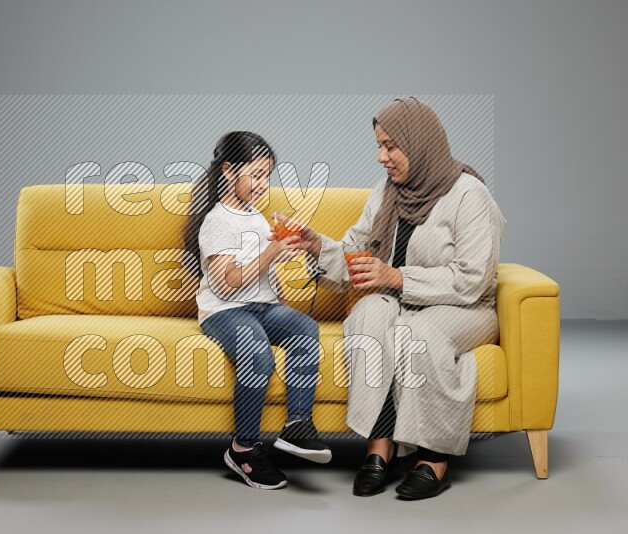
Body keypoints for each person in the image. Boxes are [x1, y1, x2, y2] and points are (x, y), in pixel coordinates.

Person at [286, 97, 506, 499]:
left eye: (390, 146)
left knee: (416, 332)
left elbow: (472, 279)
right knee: (369, 315)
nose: (381, 157)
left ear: (419, 143)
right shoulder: (387, 192)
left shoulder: (468, 195)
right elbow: (357, 251)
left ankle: (434, 459)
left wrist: (397, 276)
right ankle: (379, 446)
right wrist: (318, 246)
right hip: (400, 298)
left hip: (463, 308)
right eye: (379, 146)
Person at [182, 131, 332, 490]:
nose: (264, 184)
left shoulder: (257, 217)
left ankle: (297, 424)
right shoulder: (217, 221)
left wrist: (282, 268)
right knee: (256, 353)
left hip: (261, 307)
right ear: (229, 172)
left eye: (268, 176)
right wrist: (269, 254)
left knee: (305, 328)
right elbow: (226, 283)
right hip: (224, 311)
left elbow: (267, 278)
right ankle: (243, 448)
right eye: (257, 175)